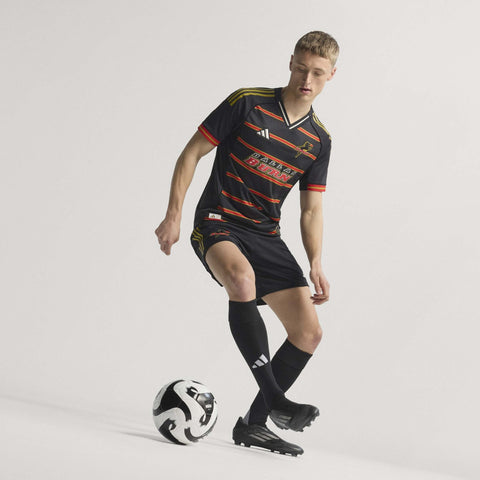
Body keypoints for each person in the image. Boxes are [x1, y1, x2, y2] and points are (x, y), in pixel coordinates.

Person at [155, 31, 339, 456]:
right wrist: (174, 215)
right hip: (218, 220)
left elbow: (311, 210)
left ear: (332, 75)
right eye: (300, 68)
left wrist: (316, 262)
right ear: (290, 63)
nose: (306, 80)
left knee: (309, 333)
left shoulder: (319, 140)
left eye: (317, 73)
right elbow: (191, 153)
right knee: (241, 279)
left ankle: (254, 425)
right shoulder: (249, 102)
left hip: (266, 234)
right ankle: (276, 398)